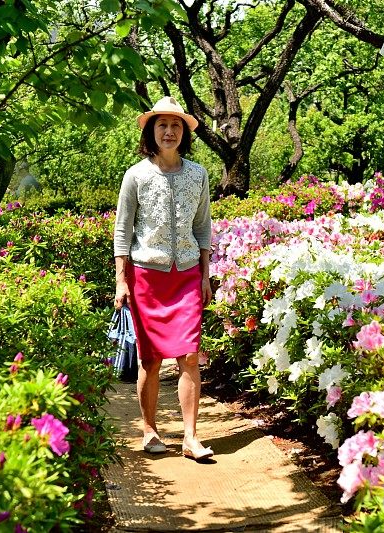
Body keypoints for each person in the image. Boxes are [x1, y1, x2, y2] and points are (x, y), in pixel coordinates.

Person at [113, 96, 214, 461]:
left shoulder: (198, 174)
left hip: (186, 276)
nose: (169, 132)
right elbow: (123, 231)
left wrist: (205, 274)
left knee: (189, 356)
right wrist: (121, 280)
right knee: (151, 360)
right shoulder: (135, 176)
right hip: (147, 279)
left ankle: (190, 437)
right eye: (162, 125)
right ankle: (150, 429)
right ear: (152, 132)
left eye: (176, 126)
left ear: (184, 132)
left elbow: (203, 227)